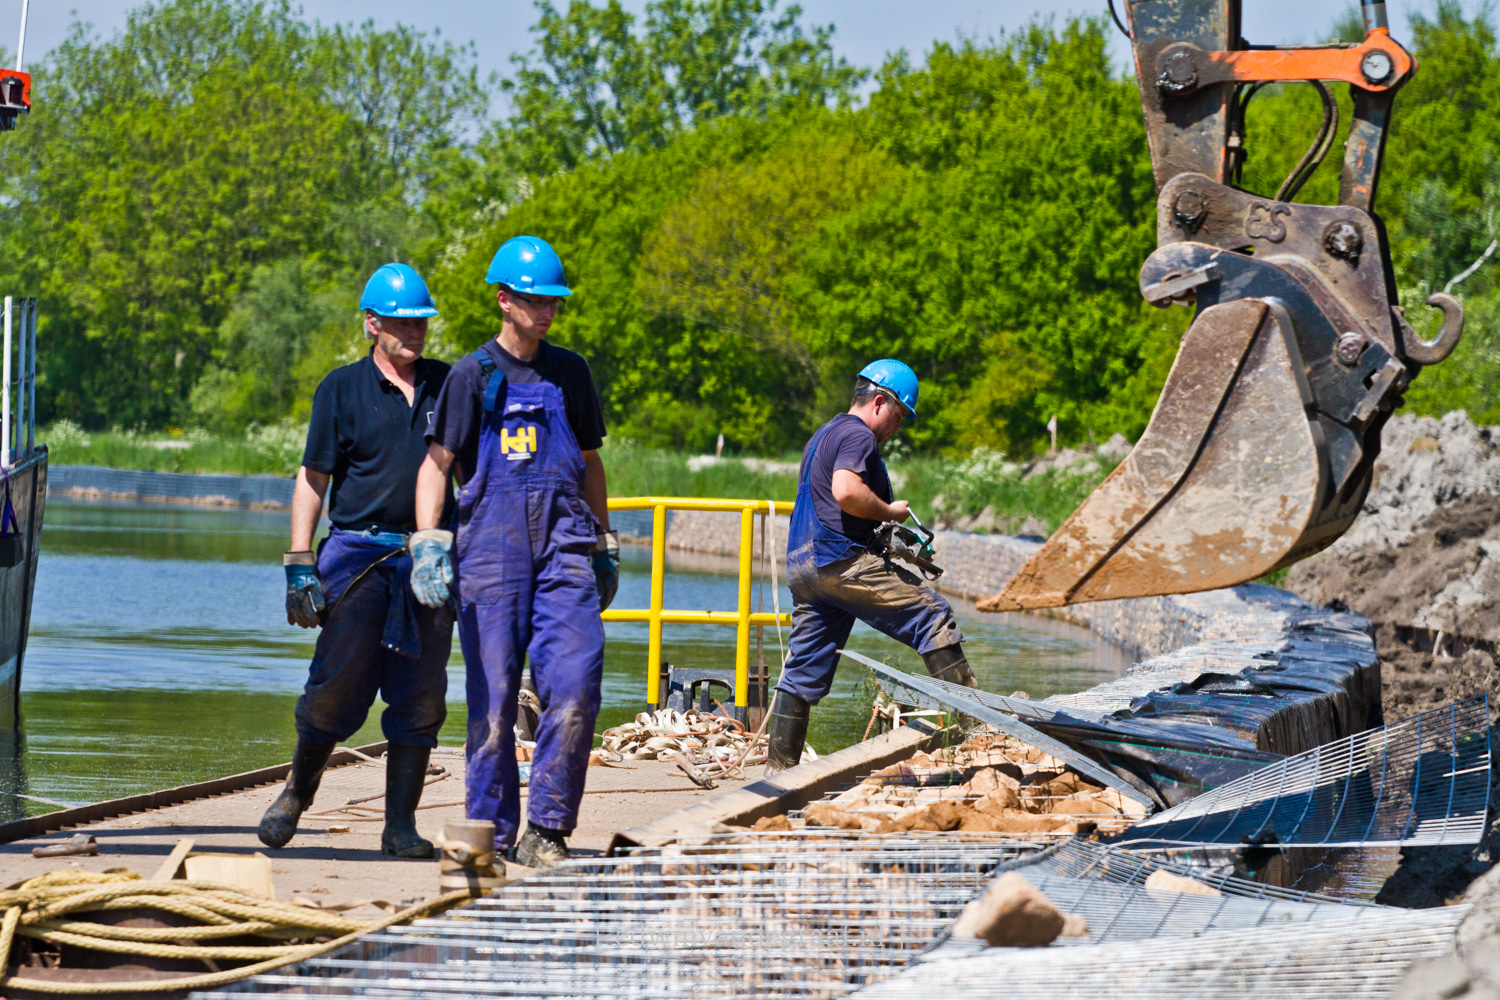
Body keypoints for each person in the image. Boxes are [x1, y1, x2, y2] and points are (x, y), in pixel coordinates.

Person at [408, 235, 618, 870]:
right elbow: (435, 465)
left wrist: (603, 541)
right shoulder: (473, 376)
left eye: (553, 301)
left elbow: (588, 463)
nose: (547, 310)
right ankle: (493, 834)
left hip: (564, 548)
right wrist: (428, 543)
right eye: (534, 300)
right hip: (491, 557)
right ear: (504, 301)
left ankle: (548, 829)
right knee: (495, 702)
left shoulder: (570, 372)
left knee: (576, 685)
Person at [261, 263, 454, 858]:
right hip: (356, 557)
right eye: (402, 322)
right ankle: (297, 791)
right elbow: (313, 478)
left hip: (427, 558)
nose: (415, 332)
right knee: (333, 688)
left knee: (420, 695)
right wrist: (299, 561)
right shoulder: (340, 389)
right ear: (372, 324)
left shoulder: (451, 386)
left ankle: (399, 827)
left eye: (421, 321)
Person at [766, 359, 978, 772]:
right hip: (839, 560)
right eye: (898, 417)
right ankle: (977, 730)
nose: (897, 428)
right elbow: (846, 492)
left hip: (804, 567)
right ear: (880, 402)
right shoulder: (857, 434)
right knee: (932, 615)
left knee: (803, 670)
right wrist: (890, 512)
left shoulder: (823, 434)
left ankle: (778, 770)